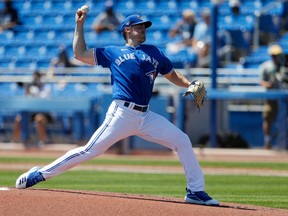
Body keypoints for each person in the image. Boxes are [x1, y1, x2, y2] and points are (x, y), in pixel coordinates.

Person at [15, 11, 219, 206]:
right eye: (139, 27)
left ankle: (195, 191)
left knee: (182, 140)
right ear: (127, 30)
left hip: (146, 116)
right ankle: (40, 174)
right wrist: (80, 24)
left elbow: (172, 74)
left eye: (144, 27)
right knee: (89, 151)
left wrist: (189, 84)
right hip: (122, 113)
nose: (143, 29)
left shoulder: (153, 51)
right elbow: (80, 53)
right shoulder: (113, 52)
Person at [12, 71, 52, 147]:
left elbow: (43, 101)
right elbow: (27, 100)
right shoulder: (32, 87)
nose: (35, 80)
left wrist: (34, 92)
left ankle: (43, 141)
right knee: (19, 119)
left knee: (39, 119)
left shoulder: (46, 87)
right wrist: (27, 90)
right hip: (32, 111)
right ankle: (15, 141)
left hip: (44, 112)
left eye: (37, 78)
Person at [259, 44, 288, 149]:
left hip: (284, 97)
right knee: (267, 117)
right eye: (274, 56)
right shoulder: (266, 66)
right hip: (270, 97)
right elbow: (261, 81)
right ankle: (267, 141)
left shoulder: (284, 66)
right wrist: (268, 84)